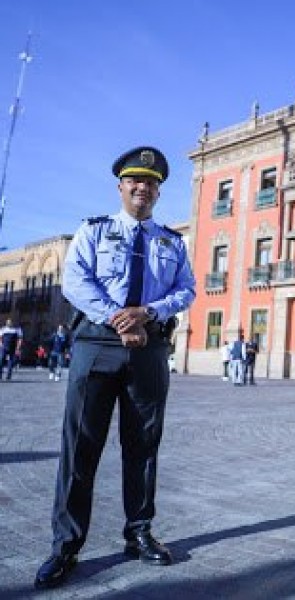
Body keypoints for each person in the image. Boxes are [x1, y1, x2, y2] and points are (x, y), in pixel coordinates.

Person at [34, 146, 196, 590]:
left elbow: (186, 290)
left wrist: (147, 312)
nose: (142, 188)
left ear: (160, 191)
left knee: (143, 444)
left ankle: (138, 531)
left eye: (151, 183)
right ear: (121, 186)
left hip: (149, 347)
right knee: (81, 445)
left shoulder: (172, 242)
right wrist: (117, 317)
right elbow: (75, 282)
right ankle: (65, 545)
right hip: (98, 344)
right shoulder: (93, 231)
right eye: (135, 181)